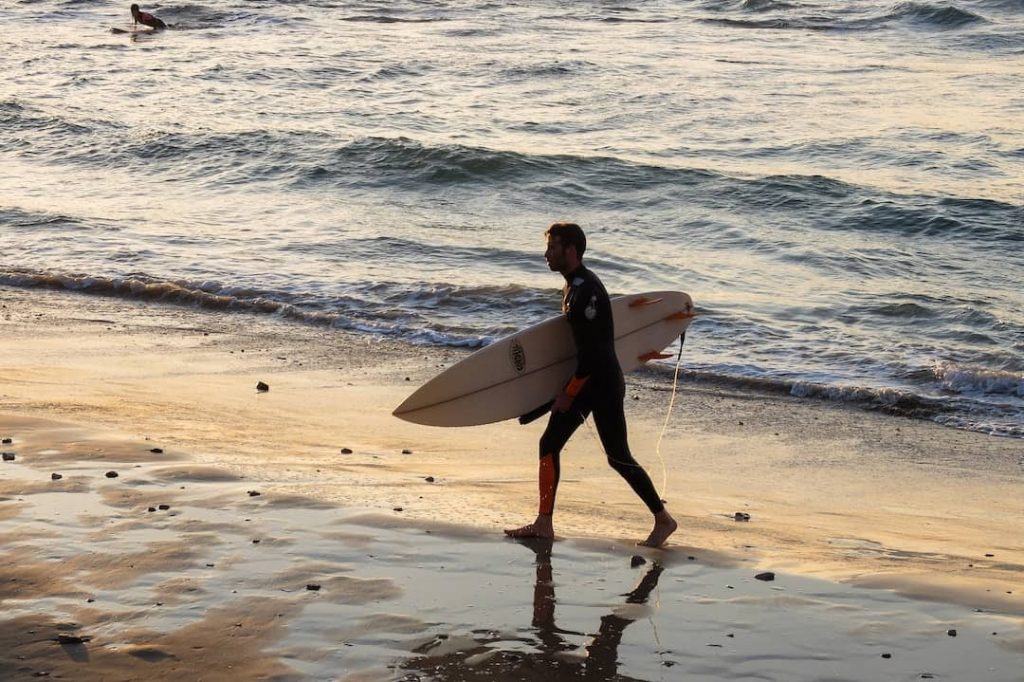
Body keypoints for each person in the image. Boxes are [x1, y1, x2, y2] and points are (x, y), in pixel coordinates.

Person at [504, 222, 678, 548]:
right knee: (557, 445)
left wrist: (568, 395)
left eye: (553, 247)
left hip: (600, 383)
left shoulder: (584, 292)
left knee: (614, 456)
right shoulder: (576, 285)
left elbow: (593, 354)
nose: (546, 254)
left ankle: (663, 520)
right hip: (595, 380)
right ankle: (545, 523)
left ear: (570, 250)